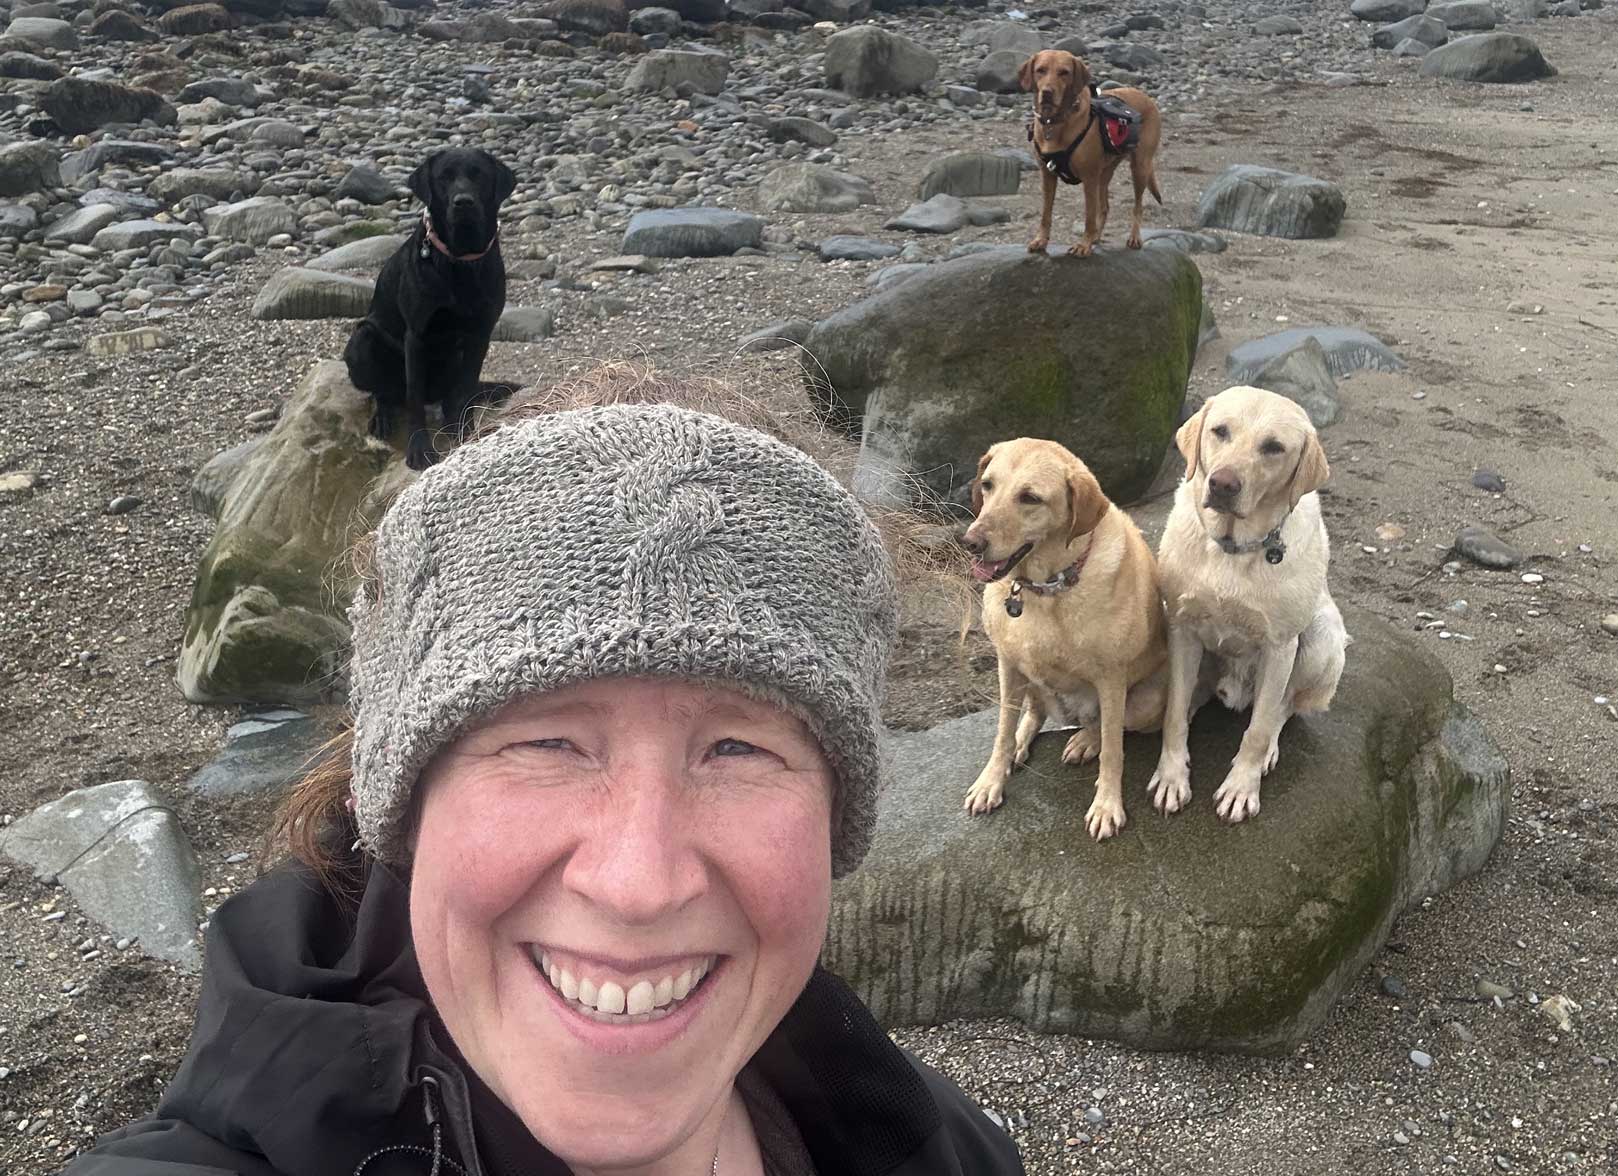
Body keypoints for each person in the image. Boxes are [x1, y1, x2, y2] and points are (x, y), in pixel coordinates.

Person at [64, 374, 1024, 1176]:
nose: (638, 884)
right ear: (398, 800)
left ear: (836, 811)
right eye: (547, 744)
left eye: (738, 749)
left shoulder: (939, 1143)